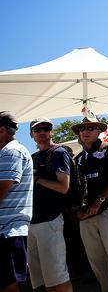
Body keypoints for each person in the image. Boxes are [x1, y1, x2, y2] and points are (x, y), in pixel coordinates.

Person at [72, 117, 108, 292]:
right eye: (82, 129)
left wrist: (100, 200)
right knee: (96, 260)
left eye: (90, 128)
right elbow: (75, 188)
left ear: (99, 131)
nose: (85, 131)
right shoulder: (78, 158)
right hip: (86, 217)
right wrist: (77, 211)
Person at [28, 118, 73, 292]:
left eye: (45, 128)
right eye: (37, 129)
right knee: (44, 281)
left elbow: (64, 187)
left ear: (51, 131)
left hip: (50, 220)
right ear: (32, 135)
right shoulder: (34, 157)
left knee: (58, 278)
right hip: (32, 222)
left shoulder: (59, 152)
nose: (41, 132)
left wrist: (38, 179)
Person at [0, 112, 33, 292]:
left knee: (8, 285)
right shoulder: (7, 151)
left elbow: (1, 190)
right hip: (6, 230)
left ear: (2, 130)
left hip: (8, 231)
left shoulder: (11, 151)